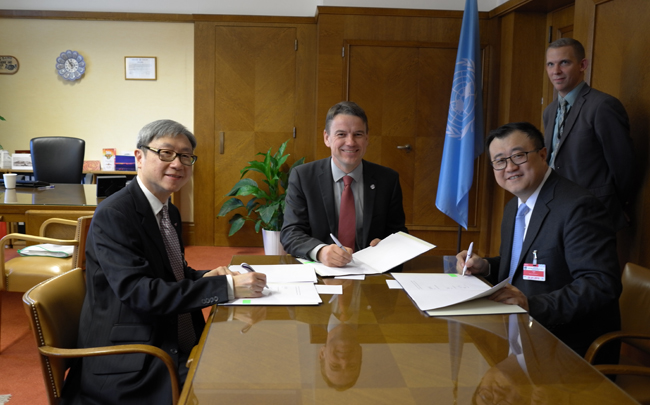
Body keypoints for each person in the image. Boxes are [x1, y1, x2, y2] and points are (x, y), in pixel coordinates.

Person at [61, 120, 267, 405]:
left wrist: (210, 276)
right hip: (132, 358)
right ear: (139, 157)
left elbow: (171, 273)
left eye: (185, 156)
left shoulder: (168, 211)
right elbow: (140, 292)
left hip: (167, 333)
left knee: (254, 357)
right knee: (239, 385)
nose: (177, 163)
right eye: (166, 153)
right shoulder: (115, 214)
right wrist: (226, 288)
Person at [457, 121, 621, 358]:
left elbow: (600, 284)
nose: (510, 167)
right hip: (519, 333)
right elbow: (523, 264)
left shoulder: (578, 207)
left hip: (565, 345)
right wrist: (485, 266)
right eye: (500, 161)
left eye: (518, 156)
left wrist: (531, 305)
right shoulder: (514, 207)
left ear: (543, 155)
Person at [280, 101, 408, 267]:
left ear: (367, 138)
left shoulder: (387, 179)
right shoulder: (303, 177)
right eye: (341, 134)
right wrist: (320, 251)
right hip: (321, 271)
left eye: (358, 134)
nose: (350, 142)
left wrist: (387, 245)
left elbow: (398, 233)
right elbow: (291, 233)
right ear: (327, 138)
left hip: (372, 272)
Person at [543, 38, 634, 230]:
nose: (555, 71)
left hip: (593, 212)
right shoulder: (550, 111)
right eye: (550, 64)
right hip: (555, 209)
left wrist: (620, 205)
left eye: (564, 63)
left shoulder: (602, 106)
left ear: (582, 65)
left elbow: (623, 166)